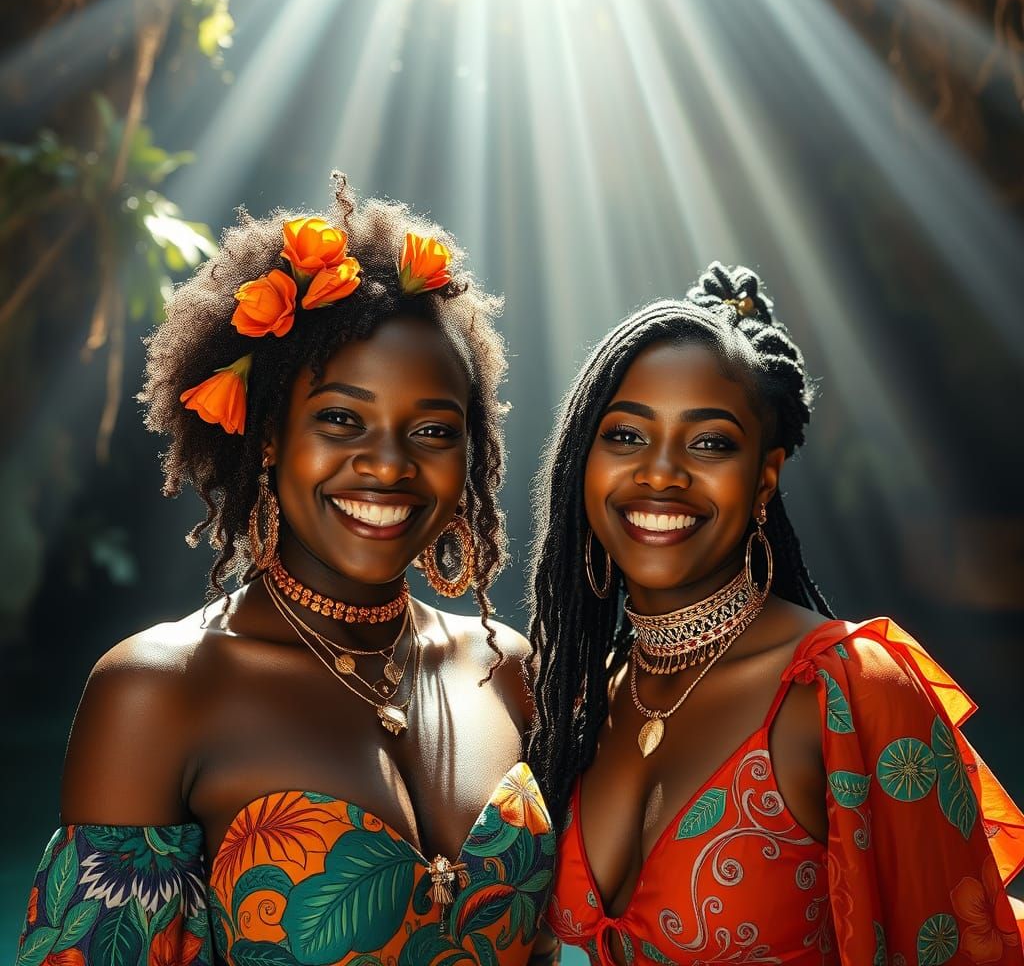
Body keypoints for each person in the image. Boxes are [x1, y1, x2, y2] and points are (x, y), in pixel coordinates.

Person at [16, 175, 555, 966]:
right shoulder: (158, 694)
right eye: (341, 419)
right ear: (268, 435)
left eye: (434, 429)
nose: (387, 464)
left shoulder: (508, 669)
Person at [527, 263, 1024, 965]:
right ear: (583, 461)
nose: (662, 472)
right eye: (627, 436)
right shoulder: (576, 702)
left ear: (765, 476)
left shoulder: (843, 693)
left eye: (709, 443)